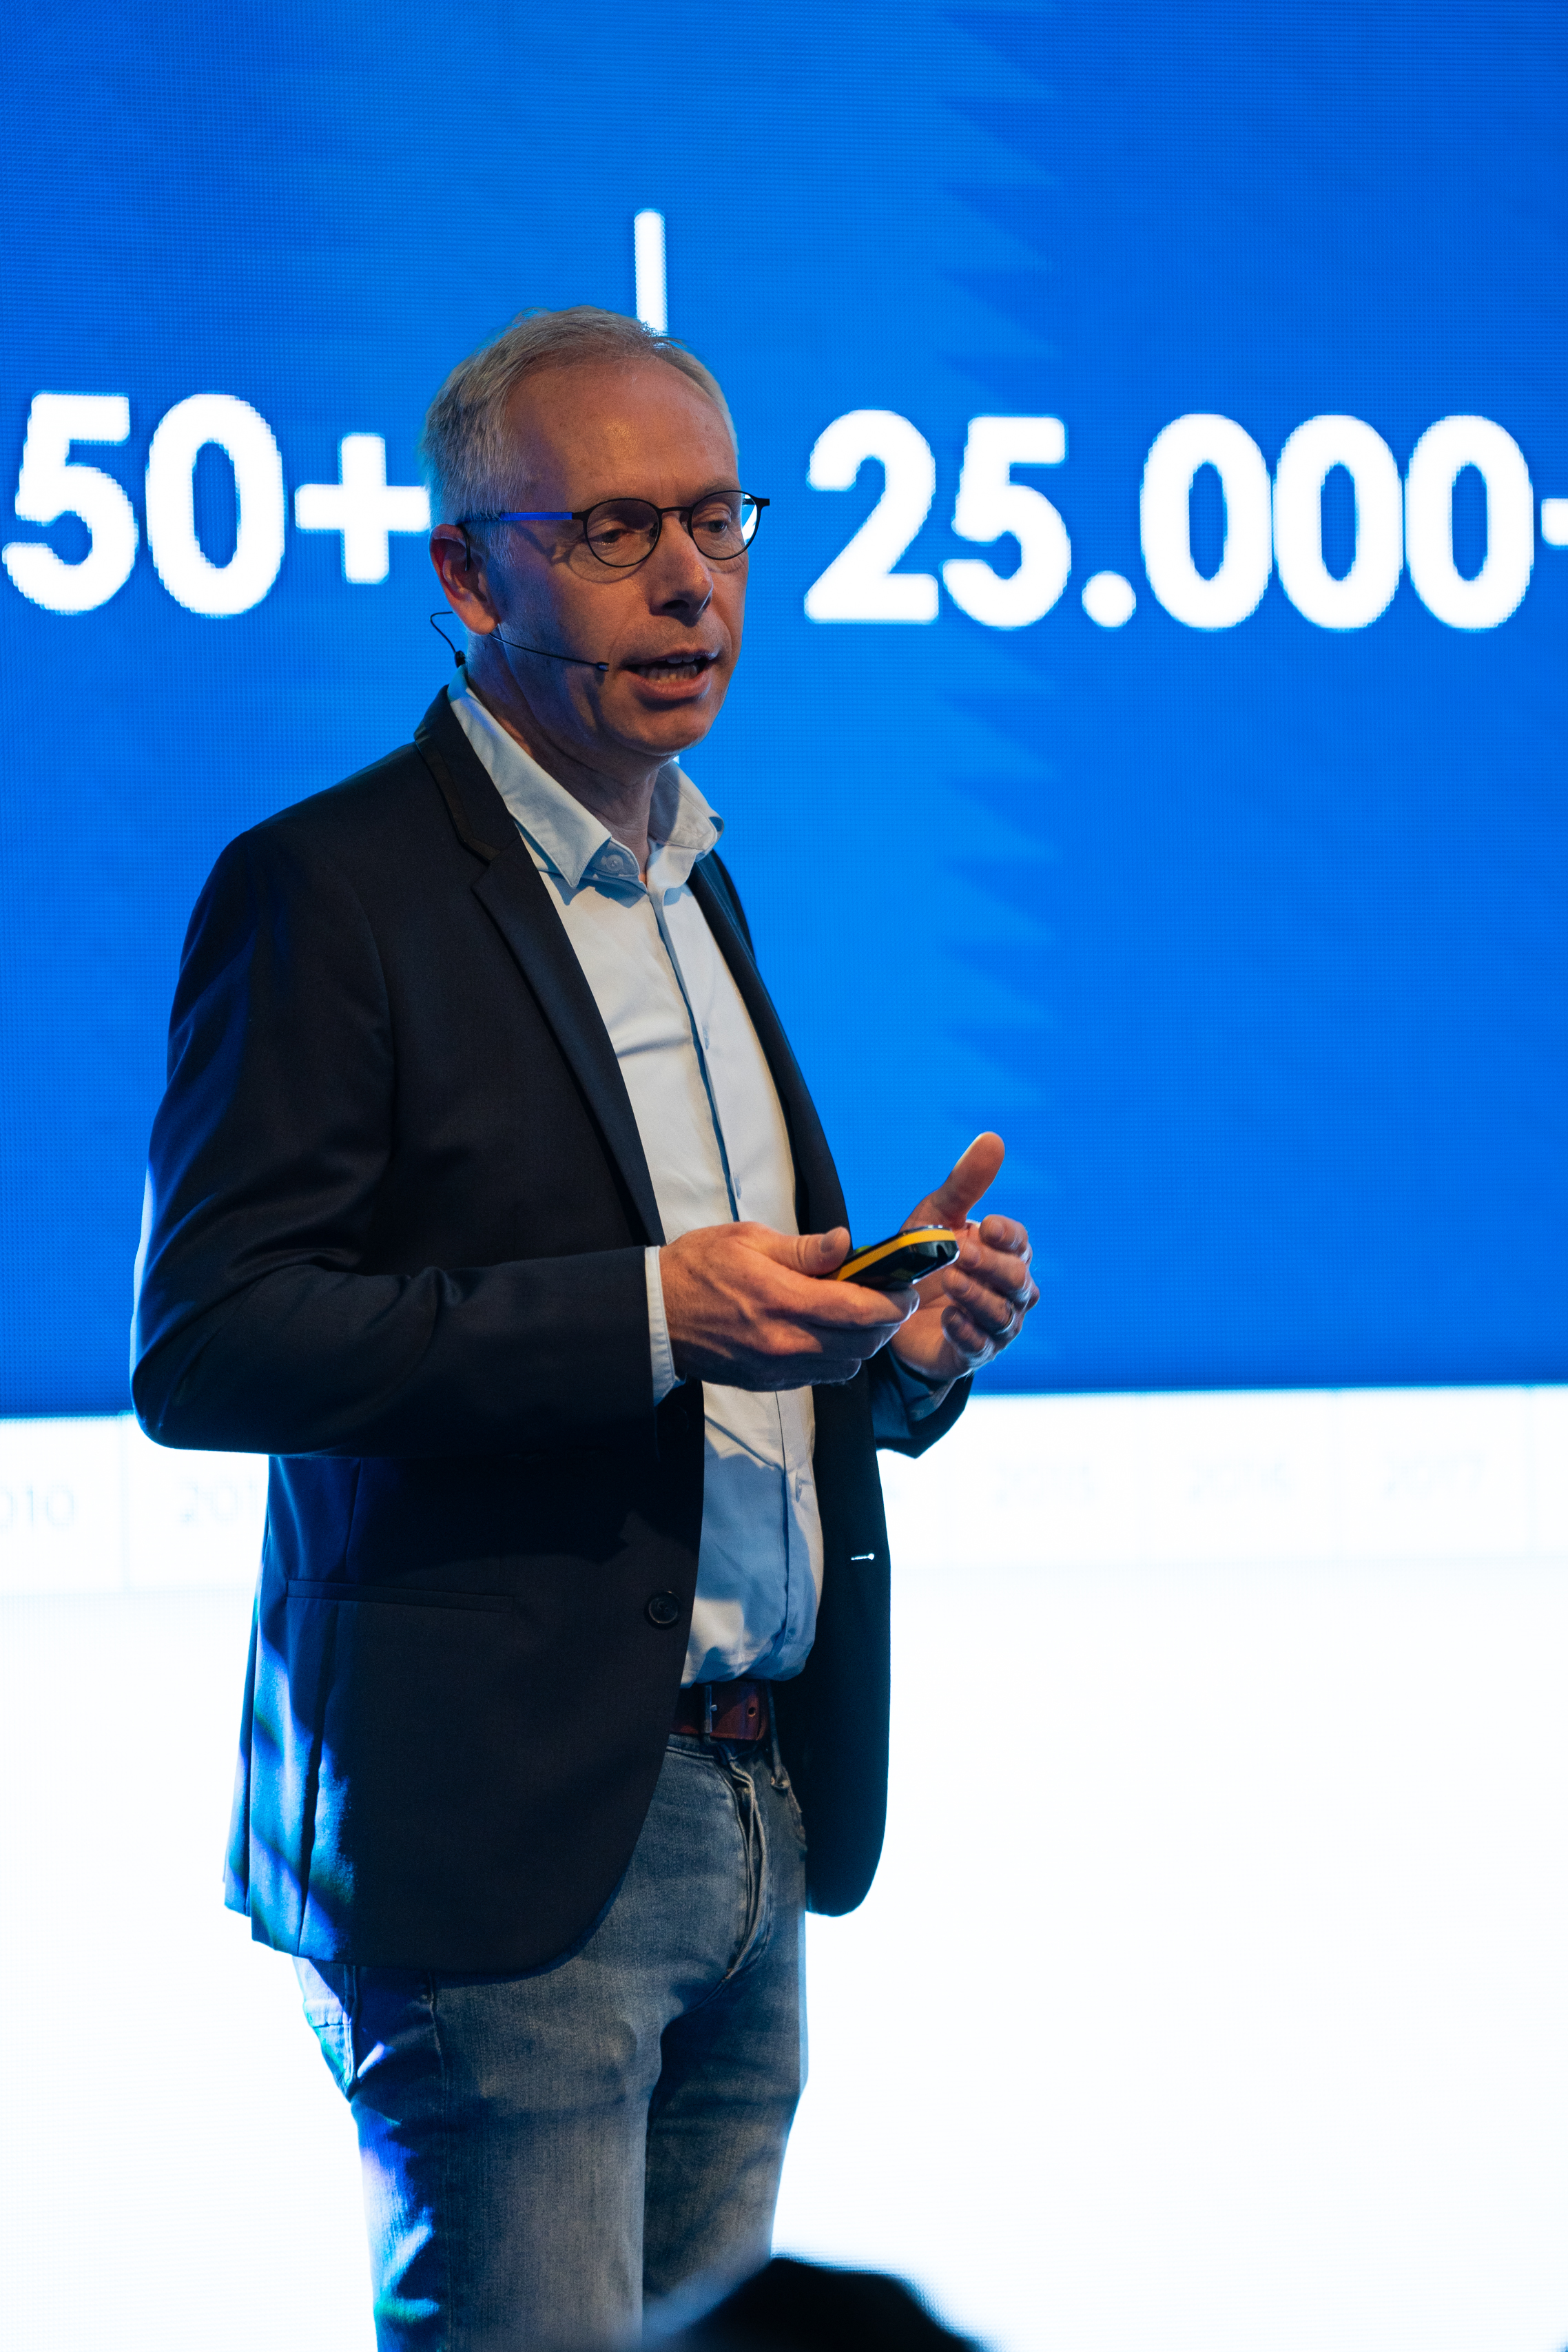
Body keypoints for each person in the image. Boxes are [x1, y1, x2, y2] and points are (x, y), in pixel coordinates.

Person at [131, 305, 1038, 2352]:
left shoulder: (695, 878)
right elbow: (213, 1341)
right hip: (501, 1834)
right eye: (619, 530)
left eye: (718, 520)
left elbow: (724, 1356)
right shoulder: (329, 889)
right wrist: (650, 1311)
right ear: (470, 577)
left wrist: (891, 1351)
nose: (692, 580)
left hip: (753, 1798)